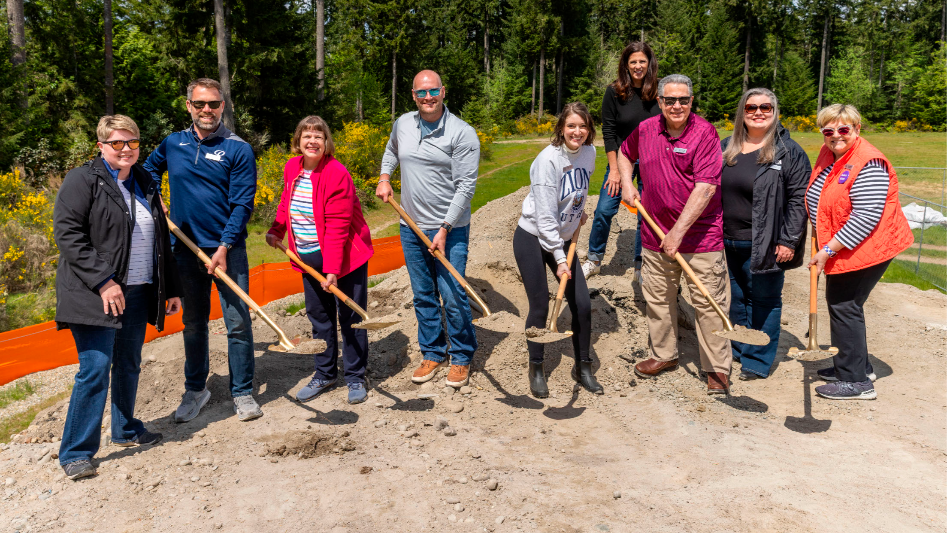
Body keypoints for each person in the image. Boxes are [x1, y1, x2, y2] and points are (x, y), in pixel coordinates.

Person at [53, 115, 182, 480]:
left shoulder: (144, 181)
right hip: (97, 293)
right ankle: (76, 452)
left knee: (128, 363)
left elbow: (160, 241)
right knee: (94, 369)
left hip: (138, 290)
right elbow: (68, 235)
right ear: (101, 146)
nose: (126, 149)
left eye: (132, 142)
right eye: (117, 143)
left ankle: (124, 429)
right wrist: (104, 282)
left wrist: (170, 288)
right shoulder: (83, 180)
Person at [143, 78, 261, 422]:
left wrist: (224, 246)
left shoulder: (238, 148)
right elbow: (147, 169)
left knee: (237, 323)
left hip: (229, 251)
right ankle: (196, 390)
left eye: (213, 104)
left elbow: (242, 205)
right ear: (188, 106)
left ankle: (242, 392)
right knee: (194, 324)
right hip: (184, 250)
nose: (206, 110)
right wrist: (157, 200)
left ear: (223, 106)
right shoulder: (173, 143)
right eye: (200, 104)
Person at [619, 74, 733, 394]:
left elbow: (707, 187)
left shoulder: (705, 133)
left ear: (691, 101)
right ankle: (664, 355)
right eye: (670, 100)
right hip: (655, 235)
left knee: (708, 303)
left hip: (700, 238)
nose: (677, 105)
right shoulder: (645, 130)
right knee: (658, 300)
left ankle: (716, 369)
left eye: (683, 99)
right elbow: (625, 156)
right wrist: (627, 183)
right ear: (660, 102)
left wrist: (678, 232)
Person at [376, 69, 480, 388]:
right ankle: (433, 352)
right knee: (423, 294)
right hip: (410, 224)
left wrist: (445, 228)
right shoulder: (404, 124)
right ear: (413, 96)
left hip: (451, 227)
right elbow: (392, 151)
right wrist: (384, 176)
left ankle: (461, 356)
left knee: (452, 294)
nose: (428, 98)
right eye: (421, 93)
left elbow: (465, 186)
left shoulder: (462, 133)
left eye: (432, 91)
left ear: (443, 92)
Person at [806, 104, 913, 400]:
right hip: (846, 243)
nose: (836, 136)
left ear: (857, 129)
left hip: (867, 245)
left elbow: (865, 216)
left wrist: (828, 249)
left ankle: (856, 383)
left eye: (844, 129)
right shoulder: (832, 153)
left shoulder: (868, 162)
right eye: (828, 130)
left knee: (844, 304)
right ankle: (854, 366)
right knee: (846, 303)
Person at [266, 116, 374, 404]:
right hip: (307, 258)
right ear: (298, 142)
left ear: (327, 143)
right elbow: (286, 202)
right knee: (320, 319)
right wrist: (277, 229)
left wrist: (332, 270)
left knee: (351, 318)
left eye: (318, 136)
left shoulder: (337, 174)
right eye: (306, 136)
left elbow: (338, 226)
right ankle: (324, 374)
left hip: (344, 258)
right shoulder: (292, 167)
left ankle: (354, 377)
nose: (312, 141)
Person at [720, 88, 810, 380]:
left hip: (766, 243)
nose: (758, 112)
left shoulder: (789, 151)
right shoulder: (726, 147)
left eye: (765, 108)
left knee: (764, 301)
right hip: (724, 241)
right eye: (751, 107)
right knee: (734, 298)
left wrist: (788, 240)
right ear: (741, 112)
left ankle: (756, 361)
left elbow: (799, 200)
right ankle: (739, 348)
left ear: (774, 112)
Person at [514, 102, 603, 398]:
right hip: (533, 236)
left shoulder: (590, 153)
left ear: (589, 129)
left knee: (582, 304)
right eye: (571, 126)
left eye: (582, 126)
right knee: (539, 305)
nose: (577, 132)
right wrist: (559, 258)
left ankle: (583, 366)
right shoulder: (547, 160)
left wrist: (579, 212)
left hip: (564, 237)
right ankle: (536, 367)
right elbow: (545, 215)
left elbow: (579, 190)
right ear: (561, 129)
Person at [582, 41, 660, 283]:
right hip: (622, 159)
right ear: (626, 65)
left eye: (642, 61)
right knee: (604, 209)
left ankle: (641, 264)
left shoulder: (660, 92)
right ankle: (594, 259)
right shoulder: (614, 92)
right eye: (633, 61)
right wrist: (614, 170)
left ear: (650, 64)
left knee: (645, 215)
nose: (637, 66)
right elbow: (609, 132)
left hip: (652, 162)